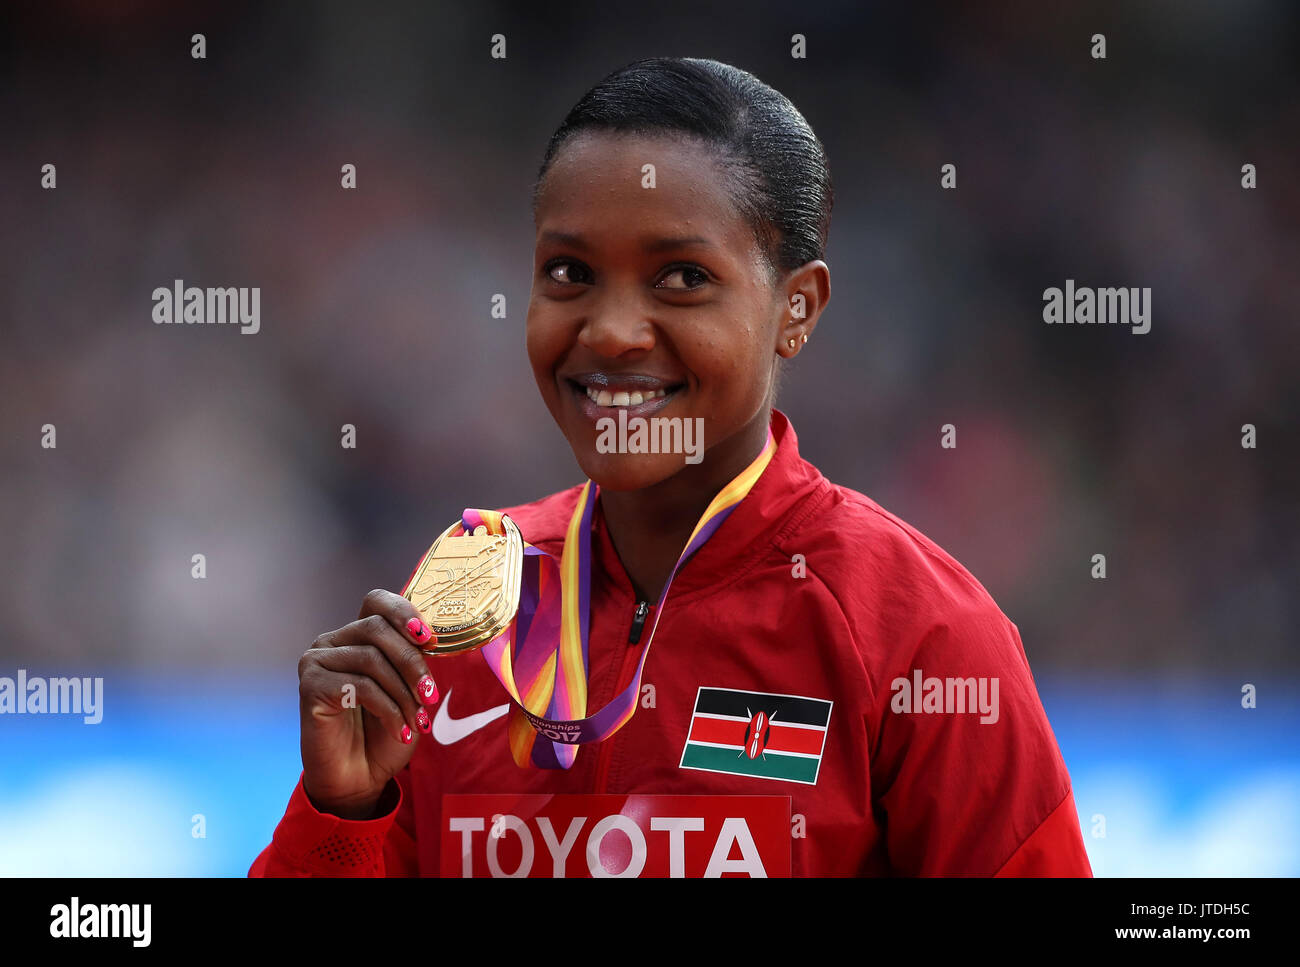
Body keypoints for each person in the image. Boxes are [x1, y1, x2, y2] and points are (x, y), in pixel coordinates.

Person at [249, 56, 1092, 877]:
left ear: (796, 307)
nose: (612, 331)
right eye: (569, 273)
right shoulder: (470, 605)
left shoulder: (918, 635)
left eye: (682, 277)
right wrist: (344, 813)